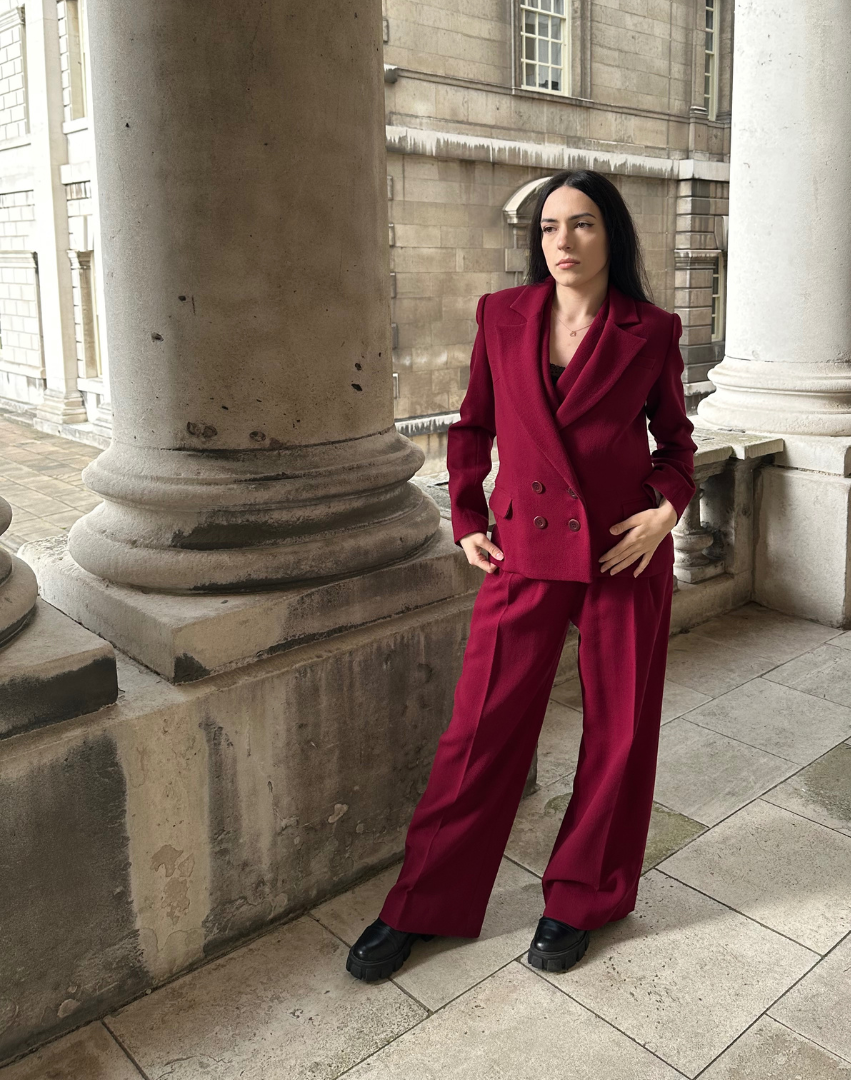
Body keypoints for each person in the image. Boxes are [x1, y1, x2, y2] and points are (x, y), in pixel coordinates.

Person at [347, 169, 697, 981]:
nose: (562, 242)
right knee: (481, 730)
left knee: (618, 734)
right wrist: (466, 518)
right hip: (525, 549)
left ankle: (582, 899)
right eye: (548, 228)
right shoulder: (502, 316)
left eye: (579, 225)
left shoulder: (654, 329)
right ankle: (422, 904)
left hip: (623, 550)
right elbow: (471, 426)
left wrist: (665, 510)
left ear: (611, 234)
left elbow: (677, 447)